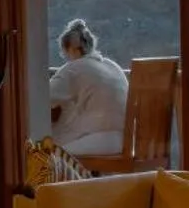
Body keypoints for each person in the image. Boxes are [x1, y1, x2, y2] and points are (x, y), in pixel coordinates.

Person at [48, 19, 129, 155]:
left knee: (48, 156)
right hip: (123, 140)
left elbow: (43, 99)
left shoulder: (73, 69)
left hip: (97, 141)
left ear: (69, 48)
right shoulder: (113, 66)